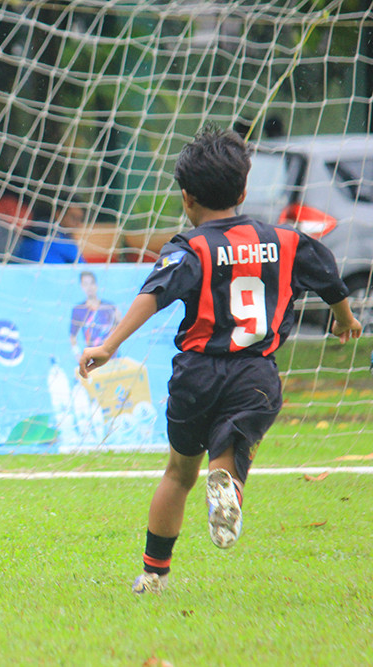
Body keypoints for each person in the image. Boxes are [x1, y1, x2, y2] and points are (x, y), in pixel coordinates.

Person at [78, 127, 361, 595]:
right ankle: (227, 485)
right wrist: (344, 319)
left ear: (187, 199)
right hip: (254, 375)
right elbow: (329, 275)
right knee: (224, 462)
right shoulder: (286, 241)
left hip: (195, 375)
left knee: (178, 473)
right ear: (244, 190)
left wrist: (108, 346)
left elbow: (154, 295)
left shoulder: (191, 248)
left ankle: (154, 574)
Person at [15, 199, 86, 264]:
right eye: (73, 218)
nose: (77, 224)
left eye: (80, 219)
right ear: (58, 214)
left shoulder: (33, 232)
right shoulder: (56, 240)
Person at [69, 270, 121, 359]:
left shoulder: (110, 307)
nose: (89, 287)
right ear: (82, 287)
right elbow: (73, 337)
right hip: (92, 357)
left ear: (96, 285)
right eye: (85, 284)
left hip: (112, 356)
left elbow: (120, 329)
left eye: (91, 283)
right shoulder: (78, 310)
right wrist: (77, 354)